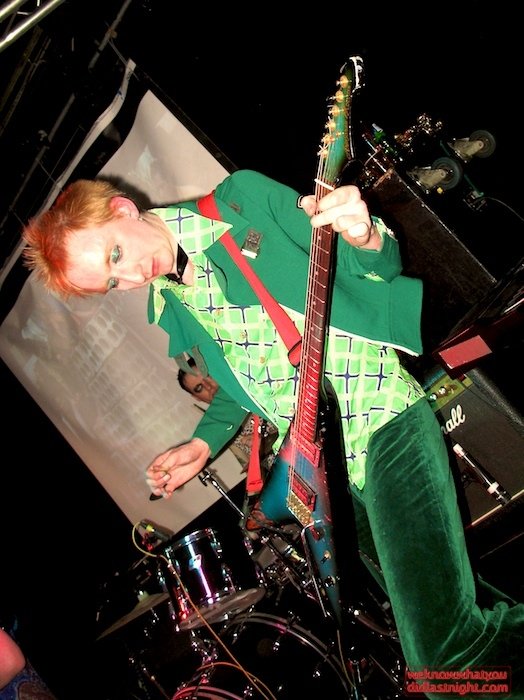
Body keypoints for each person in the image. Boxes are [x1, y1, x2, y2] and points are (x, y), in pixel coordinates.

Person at [21, 169, 523, 698]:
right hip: (327, 470)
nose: (129, 276)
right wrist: (202, 444)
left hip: (379, 415)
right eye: (112, 282)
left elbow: (370, 265)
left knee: (441, 663)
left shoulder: (238, 203)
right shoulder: (171, 300)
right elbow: (244, 382)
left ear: (122, 210)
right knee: (464, 609)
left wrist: (363, 234)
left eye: (116, 255)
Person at [177, 356, 278, 477]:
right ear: (196, 397)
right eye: (199, 388)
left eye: (208, 375)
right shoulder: (220, 431)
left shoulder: (255, 385)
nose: (209, 387)